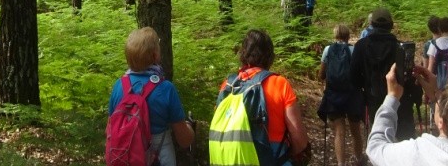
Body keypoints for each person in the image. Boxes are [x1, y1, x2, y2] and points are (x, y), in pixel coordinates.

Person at [211, 28, 310, 165]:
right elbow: (299, 141)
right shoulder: (279, 84)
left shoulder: (227, 86)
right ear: (270, 56)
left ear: (243, 54)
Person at [107, 27, 194, 166]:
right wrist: (190, 127)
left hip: (126, 159)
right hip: (160, 159)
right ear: (155, 55)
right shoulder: (166, 88)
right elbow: (184, 140)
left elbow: (111, 130)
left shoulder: (119, 86)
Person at [350, 7, 416, 138]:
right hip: (400, 101)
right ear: (391, 25)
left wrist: (365, 91)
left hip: (373, 100)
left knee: (379, 137)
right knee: (403, 141)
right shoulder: (401, 47)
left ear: (372, 24)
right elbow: (409, 76)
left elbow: (353, 77)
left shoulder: (361, 46)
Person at [317, 24, 365, 166]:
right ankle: (358, 159)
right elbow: (359, 73)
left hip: (333, 95)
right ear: (348, 36)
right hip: (352, 95)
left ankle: (340, 163)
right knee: (355, 130)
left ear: (335, 35)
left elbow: (321, 74)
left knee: (339, 131)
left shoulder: (328, 50)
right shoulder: (353, 49)